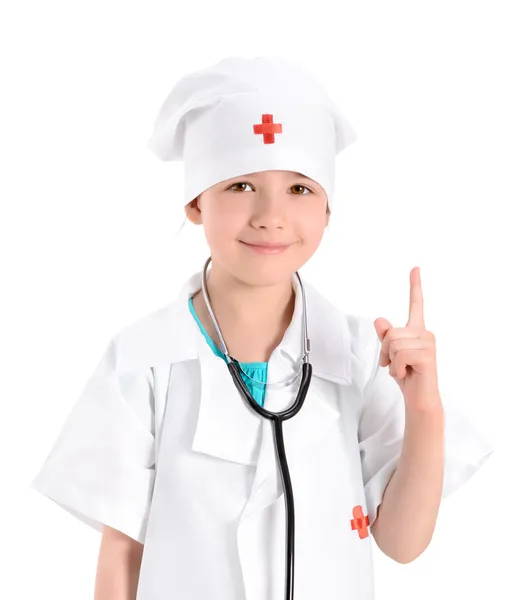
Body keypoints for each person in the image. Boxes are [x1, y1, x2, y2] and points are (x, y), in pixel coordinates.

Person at [30, 55, 494, 600]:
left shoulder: (367, 356)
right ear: (195, 202)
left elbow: (401, 542)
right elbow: (123, 553)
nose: (271, 215)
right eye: (241, 185)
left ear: (327, 211)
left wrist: (424, 409)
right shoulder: (142, 361)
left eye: (300, 189)